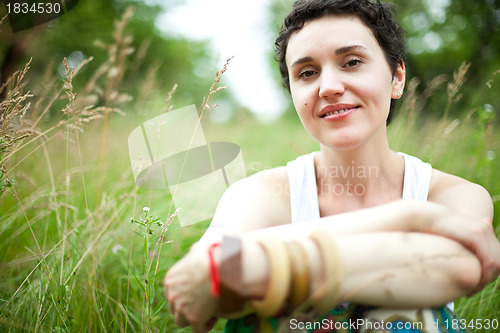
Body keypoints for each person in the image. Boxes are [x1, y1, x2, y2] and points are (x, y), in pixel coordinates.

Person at [164, 0, 500, 332]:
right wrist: (411, 219)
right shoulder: (260, 195)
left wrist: (252, 264)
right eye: (307, 73)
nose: (329, 87)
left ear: (397, 77)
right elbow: (197, 285)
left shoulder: (454, 195)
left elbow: (455, 268)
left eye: (352, 62)